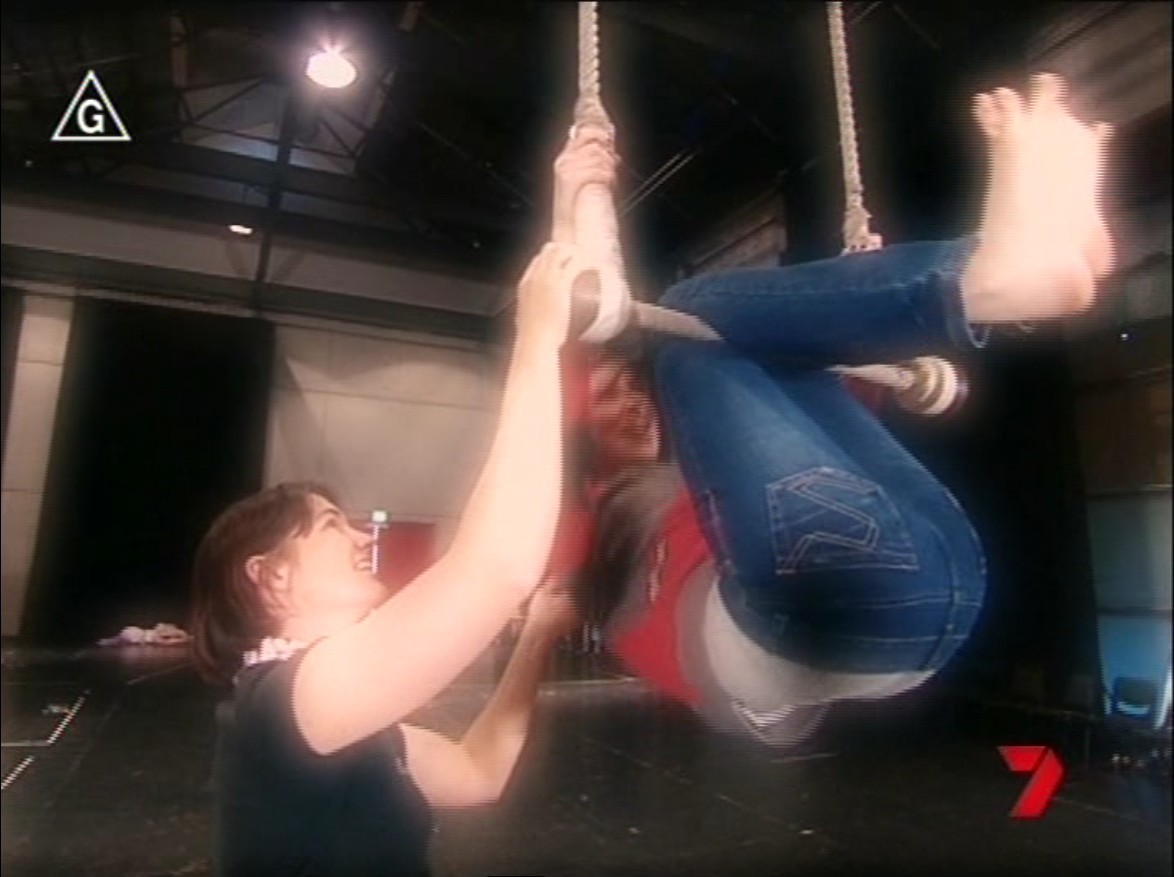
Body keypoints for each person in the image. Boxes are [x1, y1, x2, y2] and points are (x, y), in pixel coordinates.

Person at [565, 74, 1115, 747]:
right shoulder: (576, 518)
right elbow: (554, 360)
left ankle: (1015, 269)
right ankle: (983, 280)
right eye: (605, 400)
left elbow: (824, 469)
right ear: (574, 434)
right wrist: (577, 211)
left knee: (763, 347)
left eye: (628, 388)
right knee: (687, 323)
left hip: (940, 585)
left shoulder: (702, 462)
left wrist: (862, 303)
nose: (631, 402)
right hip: (812, 624)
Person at [188, 130, 618, 876]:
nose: (361, 535)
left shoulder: (347, 715)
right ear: (271, 574)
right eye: (331, 525)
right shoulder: (288, 703)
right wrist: (535, 335)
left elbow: (479, 772)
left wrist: (537, 637)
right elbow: (496, 566)